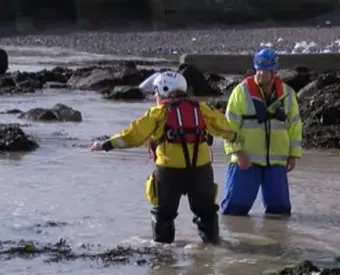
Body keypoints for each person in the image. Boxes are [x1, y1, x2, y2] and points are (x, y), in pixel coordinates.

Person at [90, 71, 240, 244]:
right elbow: (225, 128)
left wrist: (106, 144)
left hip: (170, 172)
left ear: (163, 89)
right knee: (206, 212)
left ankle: (163, 258)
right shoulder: (202, 109)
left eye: (156, 91)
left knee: (163, 215)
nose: (155, 95)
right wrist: (238, 141)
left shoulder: (159, 112)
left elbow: (133, 135)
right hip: (201, 170)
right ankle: (213, 248)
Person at [220, 47, 303, 216]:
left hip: (276, 162)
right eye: (258, 70)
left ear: (275, 72)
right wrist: (237, 152)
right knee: (234, 210)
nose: (261, 75)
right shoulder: (241, 91)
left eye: (266, 71)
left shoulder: (287, 94)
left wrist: (293, 154)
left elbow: (294, 126)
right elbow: (229, 127)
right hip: (246, 160)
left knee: (280, 211)